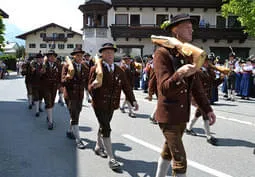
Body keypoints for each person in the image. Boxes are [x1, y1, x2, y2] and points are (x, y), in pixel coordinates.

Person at [154, 14, 216, 177]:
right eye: (187, 26)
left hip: (182, 115)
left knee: (168, 152)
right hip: (168, 116)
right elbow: (164, 88)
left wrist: (207, 109)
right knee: (180, 162)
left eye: (191, 26)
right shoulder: (162, 53)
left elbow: (196, 87)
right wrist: (178, 75)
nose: (192, 29)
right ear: (175, 30)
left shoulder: (188, 54)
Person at [88, 43, 139, 170]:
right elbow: (88, 87)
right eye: (107, 52)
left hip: (112, 105)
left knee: (103, 126)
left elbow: (126, 87)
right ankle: (112, 159)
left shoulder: (119, 70)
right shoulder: (96, 69)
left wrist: (133, 101)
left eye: (111, 52)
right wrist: (93, 86)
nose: (110, 54)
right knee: (106, 128)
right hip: (99, 104)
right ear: (102, 54)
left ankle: (98, 147)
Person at [185, 56, 223, 145]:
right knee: (205, 114)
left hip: (206, 96)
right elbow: (196, 87)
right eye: (206, 61)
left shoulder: (210, 71)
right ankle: (208, 135)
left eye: (209, 61)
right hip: (198, 97)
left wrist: (221, 78)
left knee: (198, 113)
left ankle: (188, 128)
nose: (208, 63)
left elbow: (213, 84)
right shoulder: (197, 71)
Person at [62, 48, 89, 149]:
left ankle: (70, 131)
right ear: (73, 56)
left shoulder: (84, 66)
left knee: (76, 113)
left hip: (80, 95)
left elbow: (86, 82)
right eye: (77, 55)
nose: (80, 57)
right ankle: (78, 140)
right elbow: (62, 81)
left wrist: (89, 94)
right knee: (74, 115)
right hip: (70, 95)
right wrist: (68, 77)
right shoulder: (67, 66)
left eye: (81, 55)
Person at [41, 50, 62, 130]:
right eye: (50, 56)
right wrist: (41, 72)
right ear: (48, 57)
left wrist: (60, 86)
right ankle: (50, 122)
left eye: (54, 56)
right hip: (46, 87)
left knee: (52, 103)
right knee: (48, 102)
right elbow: (39, 76)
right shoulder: (44, 65)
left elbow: (60, 76)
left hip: (54, 87)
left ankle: (48, 116)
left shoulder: (58, 65)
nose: (52, 57)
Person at [30, 52, 44, 117]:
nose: (41, 59)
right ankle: (37, 111)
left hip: (42, 85)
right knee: (36, 98)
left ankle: (40, 107)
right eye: (40, 58)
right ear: (37, 59)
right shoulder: (34, 65)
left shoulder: (43, 66)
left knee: (41, 97)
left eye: (42, 58)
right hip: (35, 84)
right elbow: (32, 74)